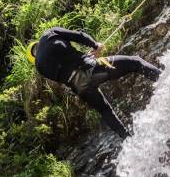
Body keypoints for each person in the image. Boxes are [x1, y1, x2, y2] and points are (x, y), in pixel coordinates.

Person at [26, 27, 162, 139]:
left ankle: (128, 139)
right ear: (37, 44)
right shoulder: (48, 34)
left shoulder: (39, 67)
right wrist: (95, 45)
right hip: (91, 68)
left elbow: (65, 72)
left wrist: (85, 58)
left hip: (80, 86)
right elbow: (79, 35)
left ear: (33, 58)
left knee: (104, 110)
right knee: (136, 62)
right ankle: (164, 78)